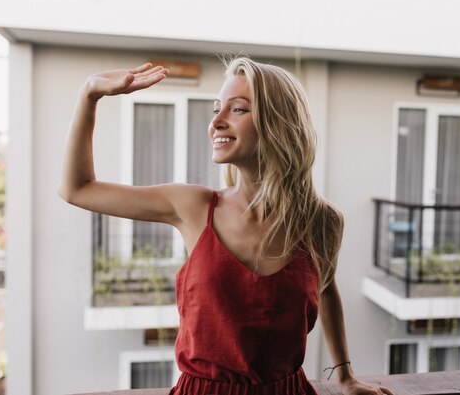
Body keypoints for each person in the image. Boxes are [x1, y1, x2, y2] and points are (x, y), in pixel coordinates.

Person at [59, 58, 394, 395]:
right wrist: (90, 94)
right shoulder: (193, 207)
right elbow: (78, 189)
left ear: (278, 122)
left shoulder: (322, 221)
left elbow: (326, 287)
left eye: (238, 110)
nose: (216, 122)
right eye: (216, 110)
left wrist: (346, 377)